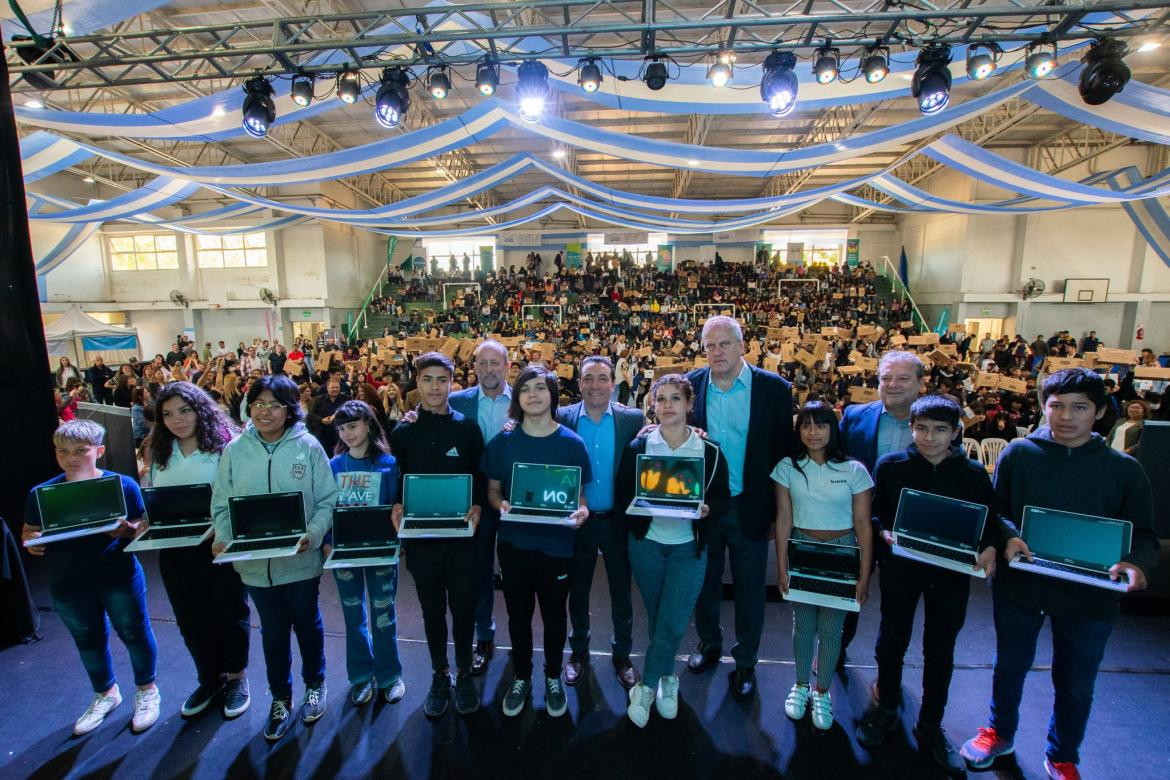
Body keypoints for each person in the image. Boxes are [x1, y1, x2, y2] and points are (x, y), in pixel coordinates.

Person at [960, 368, 1158, 779]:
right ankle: (999, 733)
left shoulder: (1124, 470)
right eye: (1057, 406)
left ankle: (1063, 754)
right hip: (1022, 584)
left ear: (1100, 411)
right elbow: (997, 510)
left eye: (1079, 407)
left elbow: (1144, 534)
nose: (1066, 416)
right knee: (1009, 666)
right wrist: (1009, 535)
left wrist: (1136, 564)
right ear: (1043, 407)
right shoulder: (1018, 454)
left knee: (1076, 682)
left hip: (1090, 594)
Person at [854, 395, 997, 772]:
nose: (929, 437)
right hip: (902, 570)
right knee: (891, 640)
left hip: (950, 576)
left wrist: (987, 546)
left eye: (939, 430)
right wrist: (883, 534)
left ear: (954, 433)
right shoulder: (891, 466)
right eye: (921, 429)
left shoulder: (973, 474)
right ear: (911, 429)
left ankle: (931, 724)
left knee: (940, 649)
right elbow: (877, 515)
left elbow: (988, 523)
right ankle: (885, 709)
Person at [211, 374, 338, 742]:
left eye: (275, 404)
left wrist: (313, 534)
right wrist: (224, 536)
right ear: (249, 407)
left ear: (289, 409)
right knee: (272, 631)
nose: (266, 412)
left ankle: (315, 684)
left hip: (300, 560)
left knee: (307, 622)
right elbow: (221, 503)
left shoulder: (309, 446)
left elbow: (328, 499)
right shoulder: (235, 450)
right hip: (253, 565)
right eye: (259, 404)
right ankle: (280, 698)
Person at [21, 420, 161, 735]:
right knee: (87, 641)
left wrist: (126, 530)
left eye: (81, 451)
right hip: (69, 581)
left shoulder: (123, 484)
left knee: (134, 633)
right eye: (63, 451)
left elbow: (142, 526)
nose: (71, 457)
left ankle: (147, 690)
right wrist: (35, 541)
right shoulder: (42, 493)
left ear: (98, 451)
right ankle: (105, 693)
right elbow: (28, 531)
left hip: (117, 574)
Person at [684, 315, 792, 701]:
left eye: (724, 343)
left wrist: (777, 513)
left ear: (742, 345)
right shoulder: (691, 385)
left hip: (751, 506)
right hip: (706, 508)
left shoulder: (774, 390)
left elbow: (783, 455)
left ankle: (746, 660)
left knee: (750, 591)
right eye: (709, 345)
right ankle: (708, 643)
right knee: (704, 585)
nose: (717, 352)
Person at [618, 374, 730, 728]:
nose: (667, 406)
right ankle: (668, 678)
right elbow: (624, 493)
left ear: (689, 405)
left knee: (672, 620)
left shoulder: (709, 452)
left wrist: (708, 510)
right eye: (660, 399)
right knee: (659, 618)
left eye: (675, 399)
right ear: (652, 404)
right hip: (647, 546)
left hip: (688, 549)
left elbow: (721, 499)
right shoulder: (640, 447)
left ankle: (646, 688)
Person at [482, 364, 591, 718]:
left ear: (552, 396)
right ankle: (523, 676)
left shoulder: (572, 444)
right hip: (515, 546)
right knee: (518, 616)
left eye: (540, 388)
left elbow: (581, 500)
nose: (533, 394)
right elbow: (493, 491)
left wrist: (582, 514)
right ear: (518, 397)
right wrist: (502, 505)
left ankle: (552, 677)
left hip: (557, 548)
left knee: (555, 617)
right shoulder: (504, 441)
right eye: (526, 388)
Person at [145, 382, 251, 720]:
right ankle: (209, 678)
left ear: (200, 410)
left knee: (229, 610)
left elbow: (239, 496)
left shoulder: (225, 446)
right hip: (175, 548)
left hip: (217, 545)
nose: (177, 419)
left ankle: (235, 677)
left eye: (184, 410)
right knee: (190, 617)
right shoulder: (158, 451)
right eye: (168, 414)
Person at [390, 352, 486, 718]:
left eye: (441, 380)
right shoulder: (404, 431)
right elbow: (397, 480)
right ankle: (439, 673)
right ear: (417, 383)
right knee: (432, 612)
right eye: (427, 379)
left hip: (461, 540)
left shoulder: (467, 428)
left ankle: (463, 672)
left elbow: (479, 475)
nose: (434, 387)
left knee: (463, 610)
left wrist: (476, 505)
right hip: (422, 541)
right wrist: (397, 506)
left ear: (452, 383)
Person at [772, 401, 873, 731]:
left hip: (842, 552)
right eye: (805, 425)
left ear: (833, 429)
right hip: (802, 549)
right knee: (803, 625)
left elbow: (863, 525)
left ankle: (822, 691)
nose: (813, 432)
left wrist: (864, 574)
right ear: (798, 430)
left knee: (831, 631)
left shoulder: (854, 470)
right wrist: (782, 566)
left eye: (821, 425)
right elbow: (784, 518)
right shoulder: (787, 467)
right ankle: (801, 685)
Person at [556, 355, 645, 690]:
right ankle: (578, 652)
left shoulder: (633, 420)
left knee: (622, 592)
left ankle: (622, 655)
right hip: (576, 522)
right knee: (577, 592)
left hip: (617, 521)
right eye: (588, 378)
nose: (595, 385)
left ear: (613, 382)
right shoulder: (561, 417)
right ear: (578, 383)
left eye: (602, 378)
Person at [836, 351, 925, 665]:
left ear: (920, 384)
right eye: (886, 378)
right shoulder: (855, 416)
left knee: (898, 605)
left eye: (902, 378)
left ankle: (888, 668)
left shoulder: (934, 422)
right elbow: (838, 464)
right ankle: (835, 649)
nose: (893, 385)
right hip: (856, 523)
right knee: (846, 594)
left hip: (907, 528)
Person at [328, 400, 405, 707]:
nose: (348, 434)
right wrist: (326, 540)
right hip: (345, 552)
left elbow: (399, 508)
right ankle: (361, 675)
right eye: (342, 428)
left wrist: (400, 542)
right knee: (352, 614)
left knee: (383, 614)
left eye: (353, 426)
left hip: (382, 551)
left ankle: (389, 675)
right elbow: (327, 508)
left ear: (369, 425)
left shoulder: (389, 464)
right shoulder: (333, 466)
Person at [448, 340, 511, 676]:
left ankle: (520, 633)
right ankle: (484, 636)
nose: (489, 370)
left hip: (513, 500)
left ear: (507, 365)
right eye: (482, 363)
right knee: (479, 572)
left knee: (518, 572)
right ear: (474, 368)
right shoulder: (457, 401)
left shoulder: (525, 400)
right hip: (474, 501)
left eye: (495, 363)